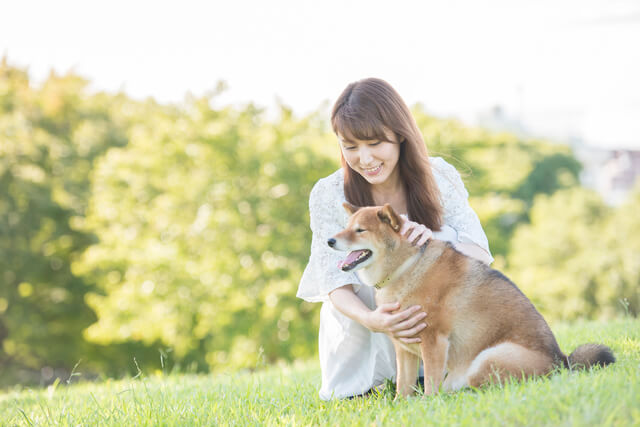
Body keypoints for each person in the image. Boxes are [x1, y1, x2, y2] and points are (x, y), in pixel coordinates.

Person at [297, 78, 493, 400]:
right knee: (361, 261)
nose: (365, 159)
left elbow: (480, 253)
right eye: (350, 147)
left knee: (443, 237)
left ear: (400, 135)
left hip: (437, 326)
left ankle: (439, 364)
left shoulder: (439, 175)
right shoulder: (329, 193)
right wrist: (371, 319)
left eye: (375, 143)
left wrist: (432, 241)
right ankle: (376, 377)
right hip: (365, 327)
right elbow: (332, 281)